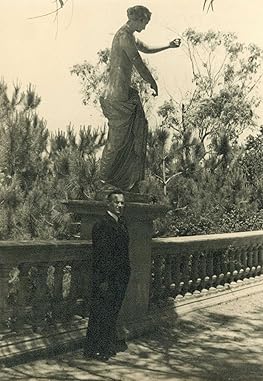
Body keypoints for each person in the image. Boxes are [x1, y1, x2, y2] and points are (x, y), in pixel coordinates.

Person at [99, 5, 181, 191]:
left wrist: (168, 45)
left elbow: (146, 48)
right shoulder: (124, 36)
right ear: (137, 19)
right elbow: (138, 62)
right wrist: (152, 82)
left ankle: (123, 182)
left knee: (136, 129)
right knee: (117, 140)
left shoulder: (129, 35)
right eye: (144, 23)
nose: (145, 27)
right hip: (116, 96)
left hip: (122, 94)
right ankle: (103, 181)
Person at [84, 190, 130, 361]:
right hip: (106, 278)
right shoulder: (102, 224)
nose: (119, 205)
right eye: (116, 202)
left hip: (120, 277)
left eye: (122, 203)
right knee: (101, 313)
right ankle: (97, 349)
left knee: (111, 313)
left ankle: (104, 347)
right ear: (108, 204)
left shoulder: (122, 223)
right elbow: (101, 256)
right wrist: (103, 280)